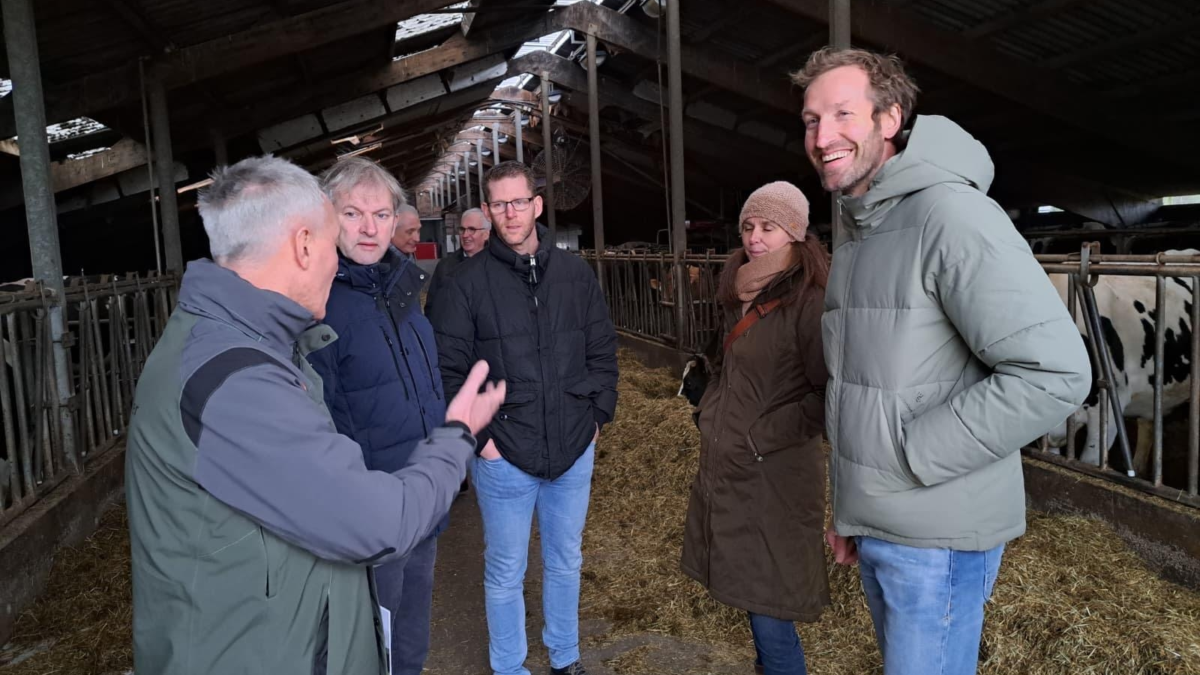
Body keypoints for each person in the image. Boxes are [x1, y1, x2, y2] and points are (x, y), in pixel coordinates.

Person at [124, 155, 505, 675]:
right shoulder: (239, 379)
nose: (343, 255)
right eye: (334, 238)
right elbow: (375, 522)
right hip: (256, 646)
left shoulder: (241, 341)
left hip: (288, 614)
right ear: (305, 245)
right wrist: (457, 433)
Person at [792, 47, 1091, 674]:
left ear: (890, 118)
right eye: (812, 120)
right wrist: (856, 507)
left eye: (843, 114)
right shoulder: (863, 229)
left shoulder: (950, 217)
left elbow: (1056, 372)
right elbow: (864, 383)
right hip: (884, 523)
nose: (823, 137)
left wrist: (911, 456)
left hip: (937, 536)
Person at [429, 161, 619, 675]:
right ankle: (509, 666)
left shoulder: (575, 274)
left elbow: (602, 349)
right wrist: (482, 439)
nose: (511, 213)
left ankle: (565, 656)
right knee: (505, 569)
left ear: (537, 205)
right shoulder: (465, 283)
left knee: (565, 560)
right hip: (504, 452)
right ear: (488, 211)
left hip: (573, 444)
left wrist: (598, 414)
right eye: (499, 204)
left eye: (520, 202)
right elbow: (448, 370)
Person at [681, 181, 830, 675]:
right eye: (748, 226)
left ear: (794, 234)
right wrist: (711, 413)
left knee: (771, 610)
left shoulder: (810, 301)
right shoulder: (741, 292)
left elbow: (829, 395)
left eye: (769, 227)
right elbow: (731, 370)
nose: (755, 238)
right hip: (735, 470)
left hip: (777, 477)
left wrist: (760, 435)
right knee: (755, 601)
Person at [306, 157, 443, 675]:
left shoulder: (402, 290)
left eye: (381, 215)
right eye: (354, 213)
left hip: (421, 498)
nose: (370, 228)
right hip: (369, 513)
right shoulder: (316, 302)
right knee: (362, 639)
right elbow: (316, 418)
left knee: (410, 629)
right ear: (327, 217)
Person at [424, 207, 490, 316]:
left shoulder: (498, 265)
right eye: (462, 229)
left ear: (486, 234)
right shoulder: (445, 267)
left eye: (471, 229)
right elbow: (432, 307)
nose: (465, 235)